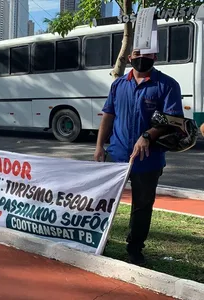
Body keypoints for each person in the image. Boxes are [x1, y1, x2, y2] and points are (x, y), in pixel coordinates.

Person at [94, 48, 184, 266]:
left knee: (142, 206)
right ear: (129, 58)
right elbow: (108, 115)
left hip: (148, 159)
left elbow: (174, 121)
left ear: (155, 57)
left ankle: (135, 248)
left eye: (148, 54)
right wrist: (99, 146)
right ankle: (99, 241)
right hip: (117, 156)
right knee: (104, 202)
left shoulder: (167, 85)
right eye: (137, 54)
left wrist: (147, 136)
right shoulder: (118, 85)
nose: (141, 58)